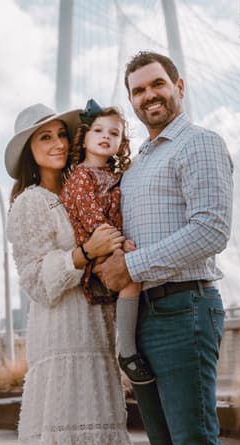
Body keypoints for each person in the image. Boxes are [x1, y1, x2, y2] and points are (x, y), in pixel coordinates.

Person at [95, 51, 234, 445]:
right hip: (144, 317)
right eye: (138, 90)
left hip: (185, 308)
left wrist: (132, 264)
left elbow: (211, 229)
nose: (148, 96)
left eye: (157, 85)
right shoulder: (141, 160)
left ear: (179, 85)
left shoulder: (198, 144)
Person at [0, 103, 138, 445]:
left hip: (93, 336)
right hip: (60, 339)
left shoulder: (81, 187)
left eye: (61, 135)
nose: (56, 143)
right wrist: (83, 253)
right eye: (44, 139)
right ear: (30, 155)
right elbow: (35, 281)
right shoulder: (32, 204)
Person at [61, 98, 155, 385]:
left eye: (114, 134)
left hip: (112, 246)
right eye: (99, 131)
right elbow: (94, 223)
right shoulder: (81, 177)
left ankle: (129, 347)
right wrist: (120, 245)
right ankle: (126, 351)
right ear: (85, 137)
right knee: (132, 278)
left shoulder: (115, 176)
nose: (106, 137)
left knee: (136, 279)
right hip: (98, 254)